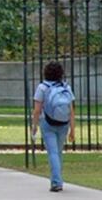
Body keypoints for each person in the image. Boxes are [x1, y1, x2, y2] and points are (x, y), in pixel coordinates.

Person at [32, 61, 76, 192]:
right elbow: (71, 110)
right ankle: (57, 179)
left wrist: (34, 126)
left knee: (53, 152)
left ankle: (56, 182)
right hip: (64, 123)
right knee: (58, 152)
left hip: (48, 123)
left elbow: (37, 110)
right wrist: (72, 129)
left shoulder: (42, 87)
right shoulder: (66, 87)